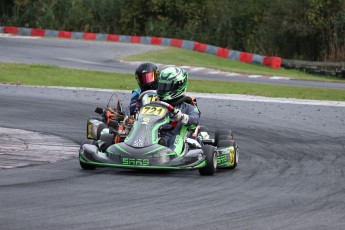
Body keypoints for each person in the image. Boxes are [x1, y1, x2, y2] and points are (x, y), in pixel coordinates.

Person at [157, 67, 200, 154]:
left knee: (176, 139)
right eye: (162, 85)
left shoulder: (188, 106)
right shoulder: (156, 104)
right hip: (155, 136)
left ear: (178, 86)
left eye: (166, 86)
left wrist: (181, 117)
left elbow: (194, 121)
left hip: (176, 137)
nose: (163, 89)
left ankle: (171, 155)